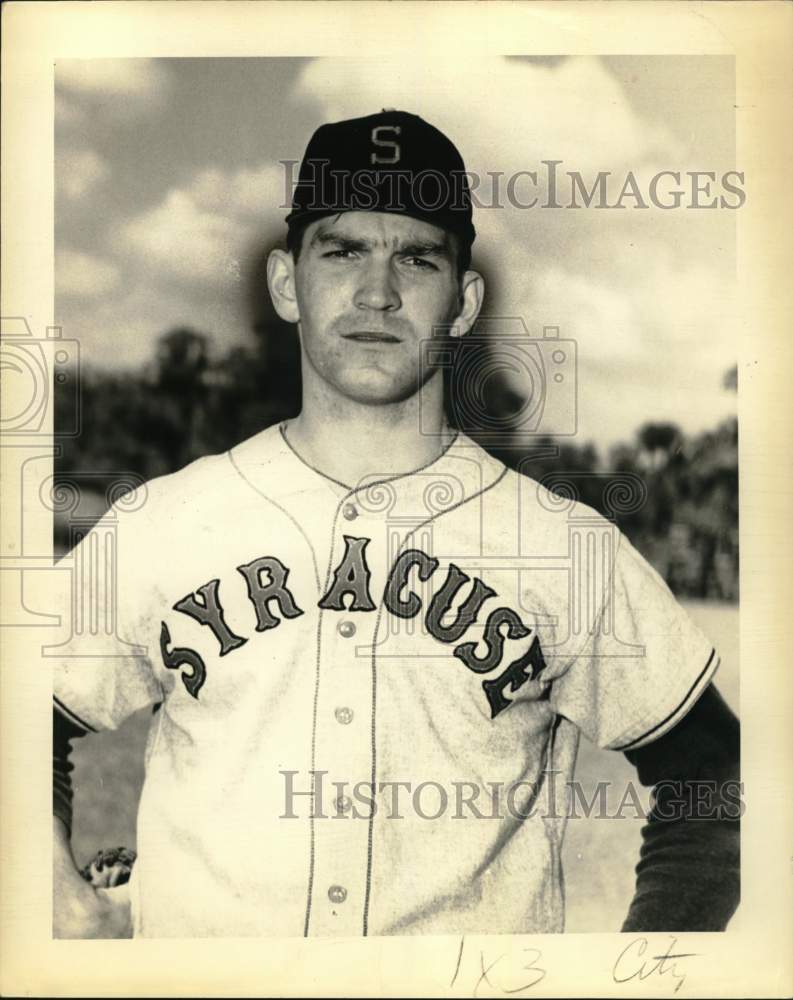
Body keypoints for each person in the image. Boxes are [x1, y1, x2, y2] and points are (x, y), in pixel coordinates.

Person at [53, 110, 740, 938]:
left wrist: (649, 974)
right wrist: (49, 888)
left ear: (463, 299)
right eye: (342, 251)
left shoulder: (562, 546)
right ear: (284, 282)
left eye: (416, 258)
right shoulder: (165, 523)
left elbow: (716, 776)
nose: (376, 293)